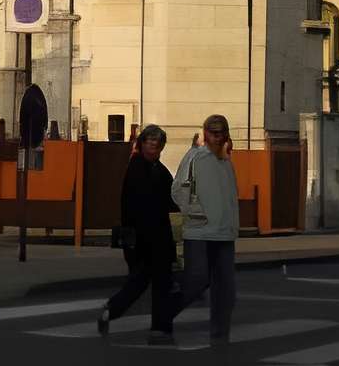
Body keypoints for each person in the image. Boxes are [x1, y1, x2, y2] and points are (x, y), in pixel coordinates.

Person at [98, 126, 177, 340]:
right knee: (144, 281)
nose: (154, 146)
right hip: (143, 237)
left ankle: (159, 327)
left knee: (158, 281)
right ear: (142, 144)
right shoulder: (138, 168)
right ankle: (113, 310)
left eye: (157, 143)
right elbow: (140, 205)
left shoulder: (157, 169)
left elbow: (171, 198)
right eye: (150, 141)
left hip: (157, 236)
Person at [171, 114, 241, 345]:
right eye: (212, 132)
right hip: (200, 232)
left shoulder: (226, 161)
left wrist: (232, 226)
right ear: (205, 133)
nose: (217, 137)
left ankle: (220, 337)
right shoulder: (195, 157)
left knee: (226, 291)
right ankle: (163, 315)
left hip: (224, 234)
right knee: (196, 282)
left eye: (221, 132)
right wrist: (196, 212)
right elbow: (178, 190)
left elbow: (229, 198)